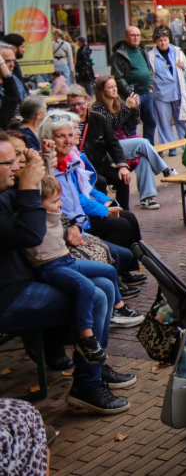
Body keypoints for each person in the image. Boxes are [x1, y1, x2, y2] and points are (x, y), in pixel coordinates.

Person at [0, 133, 135, 414]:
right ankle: (86, 384)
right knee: (96, 295)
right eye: (9, 162)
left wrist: (68, 221)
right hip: (9, 295)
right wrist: (27, 186)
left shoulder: (6, 191)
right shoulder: (10, 192)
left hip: (26, 278)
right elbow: (31, 234)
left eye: (17, 159)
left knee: (104, 284)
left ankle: (94, 366)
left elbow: (46, 202)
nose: (16, 166)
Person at [26, 175, 143, 363]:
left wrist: (47, 155)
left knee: (109, 270)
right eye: (55, 202)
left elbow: (48, 179)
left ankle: (116, 309)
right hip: (50, 267)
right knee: (87, 287)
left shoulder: (55, 214)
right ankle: (86, 338)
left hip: (66, 260)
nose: (60, 205)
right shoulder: (34, 218)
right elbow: (34, 201)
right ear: (37, 205)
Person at [39, 112, 148, 292]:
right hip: (71, 227)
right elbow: (70, 202)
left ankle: (131, 269)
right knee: (120, 227)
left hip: (79, 221)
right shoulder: (51, 169)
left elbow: (85, 191)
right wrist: (102, 211)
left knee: (127, 217)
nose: (69, 139)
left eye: (71, 134)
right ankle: (119, 282)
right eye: (61, 136)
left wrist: (108, 202)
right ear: (48, 141)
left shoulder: (70, 161)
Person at [85, 81, 172, 211]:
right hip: (108, 149)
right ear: (102, 91)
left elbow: (132, 123)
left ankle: (147, 198)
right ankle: (165, 170)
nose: (114, 89)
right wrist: (127, 107)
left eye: (115, 86)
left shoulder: (118, 103)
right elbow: (111, 126)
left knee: (143, 158)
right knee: (142, 142)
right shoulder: (98, 108)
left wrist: (135, 109)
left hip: (123, 144)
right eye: (110, 87)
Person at [109, 26, 156, 143]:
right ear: (126, 37)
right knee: (131, 124)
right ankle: (134, 148)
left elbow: (149, 70)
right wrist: (131, 92)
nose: (136, 38)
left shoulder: (142, 50)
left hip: (147, 92)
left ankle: (149, 147)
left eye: (138, 35)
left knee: (150, 122)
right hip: (131, 95)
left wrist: (150, 87)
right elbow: (118, 77)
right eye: (132, 35)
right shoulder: (119, 54)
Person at [149, 29, 186, 150]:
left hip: (177, 91)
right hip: (161, 94)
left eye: (165, 40)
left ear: (169, 40)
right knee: (164, 122)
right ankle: (170, 147)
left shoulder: (177, 51)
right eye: (160, 40)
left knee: (183, 119)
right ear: (156, 42)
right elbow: (150, 73)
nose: (163, 43)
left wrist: (183, 65)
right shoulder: (151, 55)